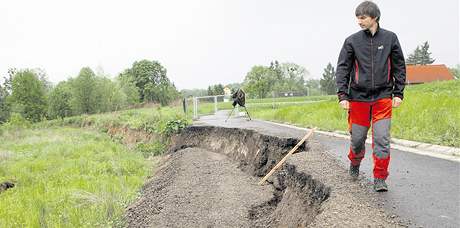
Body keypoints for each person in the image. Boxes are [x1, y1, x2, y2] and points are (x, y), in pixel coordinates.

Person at [335, 1, 406, 192]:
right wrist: (343, 95)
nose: (359, 21)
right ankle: (355, 164)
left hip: (383, 97)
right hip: (358, 99)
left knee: (382, 139)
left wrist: (398, 92)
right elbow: (342, 69)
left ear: (374, 17)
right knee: (357, 140)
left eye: (362, 17)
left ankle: (380, 178)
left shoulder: (390, 38)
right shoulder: (352, 41)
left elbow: (399, 66)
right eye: (357, 17)